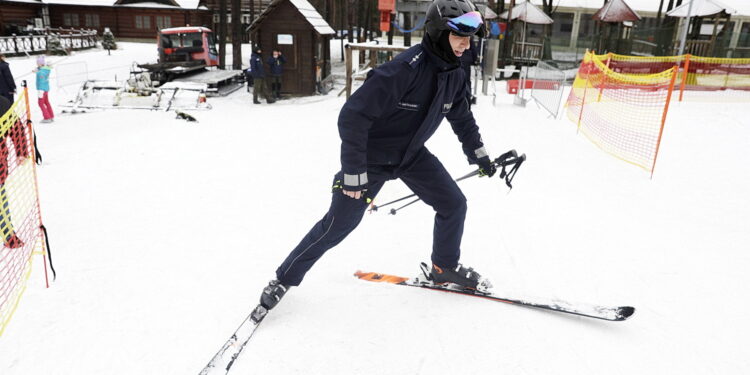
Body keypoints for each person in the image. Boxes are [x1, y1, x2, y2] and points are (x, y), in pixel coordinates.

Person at [258, 0, 495, 311]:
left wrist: (479, 154)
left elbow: (461, 116)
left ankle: (443, 267)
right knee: (338, 223)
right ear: (439, 34)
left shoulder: (455, 71)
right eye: (459, 36)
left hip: (411, 155)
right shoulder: (402, 71)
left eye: (470, 37)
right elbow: (352, 117)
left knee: (453, 204)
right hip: (370, 158)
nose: (466, 44)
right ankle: (284, 278)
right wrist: (354, 173)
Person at [34, 56, 54, 123]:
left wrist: (37, 71)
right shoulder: (45, 69)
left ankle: (47, 117)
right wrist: (37, 70)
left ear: (40, 63)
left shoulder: (42, 71)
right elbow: (40, 70)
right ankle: (51, 116)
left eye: (37, 63)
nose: (37, 64)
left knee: (40, 103)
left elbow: (41, 78)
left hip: (41, 89)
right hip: (46, 88)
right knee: (46, 102)